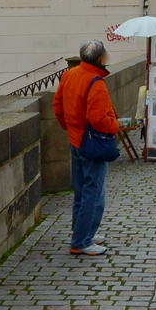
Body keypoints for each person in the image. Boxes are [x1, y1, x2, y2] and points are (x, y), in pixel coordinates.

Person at [53, 39, 120, 255]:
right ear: (100, 59)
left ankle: (82, 232)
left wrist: (69, 128)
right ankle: (81, 241)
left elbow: (57, 105)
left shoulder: (69, 74)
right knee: (93, 191)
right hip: (91, 142)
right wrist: (115, 125)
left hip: (75, 138)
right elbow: (98, 118)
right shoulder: (95, 82)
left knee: (81, 191)